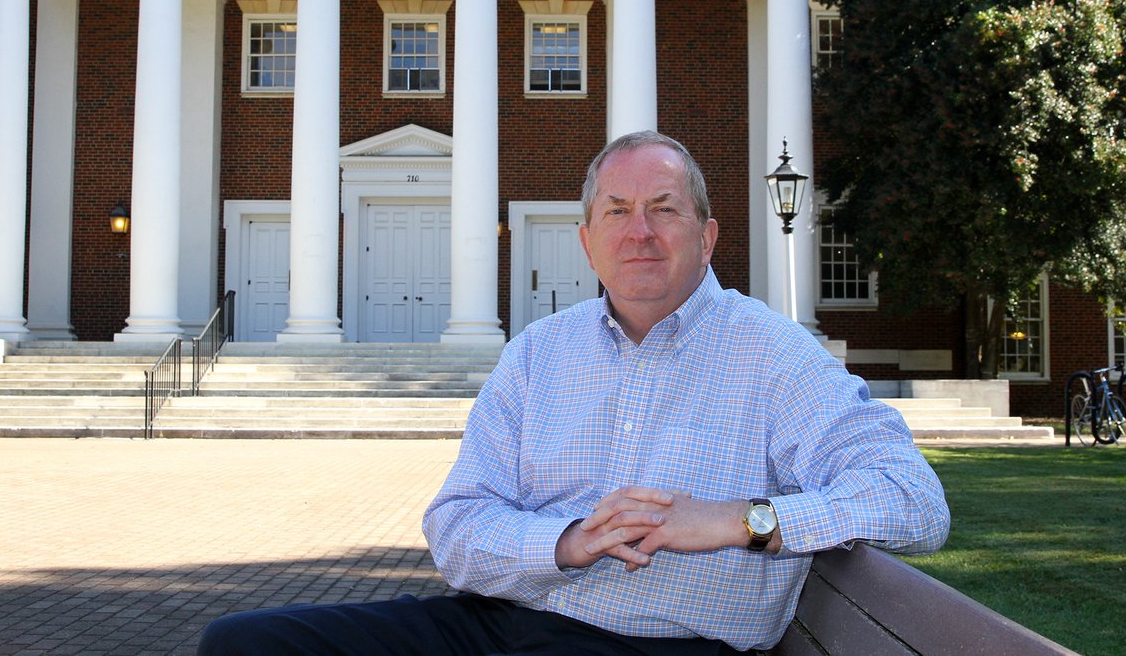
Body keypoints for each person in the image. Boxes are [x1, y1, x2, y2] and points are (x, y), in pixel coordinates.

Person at [197, 131, 950, 655]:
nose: (640, 231)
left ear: (708, 235)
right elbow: (456, 526)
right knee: (242, 643)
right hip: (507, 617)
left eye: (664, 208)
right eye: (616, 212)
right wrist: (564, 542)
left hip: (660, 643)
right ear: (587, 240)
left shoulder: (774, 354)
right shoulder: (537, 354)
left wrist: (738, 520)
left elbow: (912, 499)